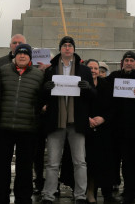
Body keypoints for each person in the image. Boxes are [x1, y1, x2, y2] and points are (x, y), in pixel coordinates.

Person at [41, 36, 95, 204]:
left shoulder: (84, 70)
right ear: (60, 49)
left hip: (76, 121)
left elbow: (94, 95)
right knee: (52, 163)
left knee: (80, 162)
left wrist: (87, 89)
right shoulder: (50, 70)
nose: (67, 48)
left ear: (73, 49)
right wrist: (46, 89)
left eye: (70, 45)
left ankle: (80, 195)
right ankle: (48, 195)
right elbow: (42, 96)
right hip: (56, 120)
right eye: (64, 45)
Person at [0, 43, 45, 204]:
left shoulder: (38, 75)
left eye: (25, 54)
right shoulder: (3, 70)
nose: (22, 56)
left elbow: (41, 98)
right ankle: (0, 196)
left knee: (25, 167)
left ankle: (23, 197)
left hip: (28, 128)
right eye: (19, 53)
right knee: (1, 166)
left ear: (30, 57)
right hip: (4, 126)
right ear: (14, 55)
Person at [107, 51, 135, 204]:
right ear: (122, 62)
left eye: (131, 61)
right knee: (125, 161)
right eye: (126, 60)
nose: (128, 63)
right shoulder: (113, 77)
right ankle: (128, 190)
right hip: (119, 128)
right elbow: (106, 96)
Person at [83, 59, 115, 203]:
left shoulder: (107, 85)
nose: (94, 71)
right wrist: (86, 118)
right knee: (89, 163)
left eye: (96, 68)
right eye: (90, 68)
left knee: (106, 162)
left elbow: (112, 107)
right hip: (86, 129)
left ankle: (107, 193)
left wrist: (102, 118)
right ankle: (90, 192)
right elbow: (76, 105)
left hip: (104, 129)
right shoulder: (81, 85)